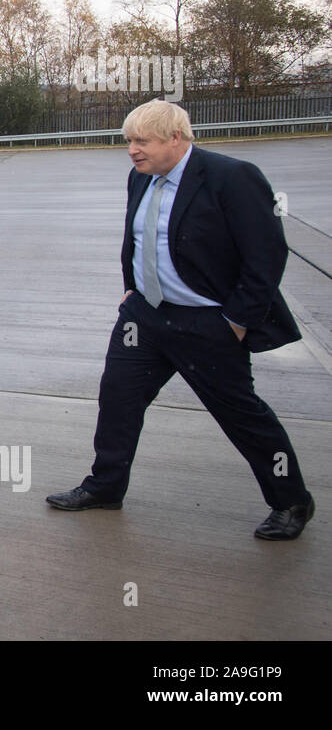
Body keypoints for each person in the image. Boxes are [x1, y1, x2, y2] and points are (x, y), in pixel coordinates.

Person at [47, 99, 314, 540]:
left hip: (208, 323)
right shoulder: (141, 178)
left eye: (142, 141)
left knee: (241, 416)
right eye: (128, 141)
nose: (132, 150)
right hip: (145, 318)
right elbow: (138, 235)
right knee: (118, 399)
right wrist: (131, 285)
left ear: (176, 138)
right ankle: (106, 486)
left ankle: (291, 502)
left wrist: (237, 321)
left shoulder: (231, 177)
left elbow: (266, 254)